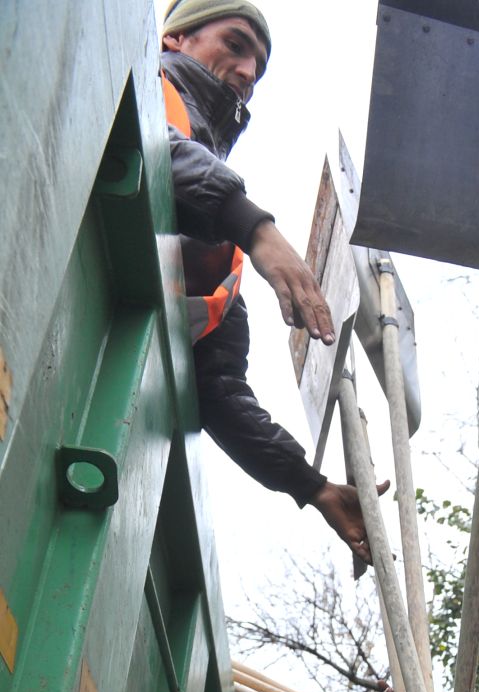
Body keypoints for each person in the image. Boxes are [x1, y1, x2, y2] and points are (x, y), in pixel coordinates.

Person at [160, 2, 381, 563]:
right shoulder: (138, 80)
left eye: (259, 65)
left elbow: (219, 392)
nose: (247, 72)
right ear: (176, 39)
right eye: (234, 45)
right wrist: (258, 228)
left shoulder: (218, 257)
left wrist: (311, 485)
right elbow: (153, 147)